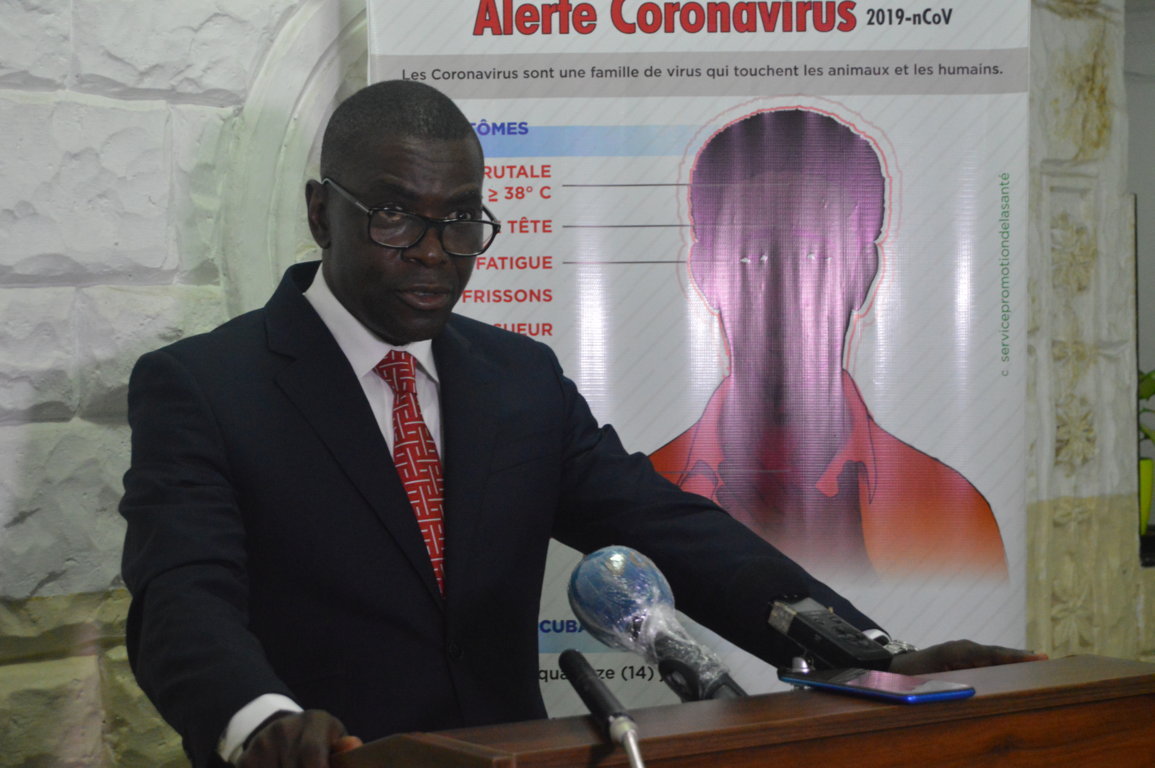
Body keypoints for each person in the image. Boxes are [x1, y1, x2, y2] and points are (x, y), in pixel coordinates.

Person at [119, 82, 1039, 768]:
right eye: (397, 216)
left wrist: (871, 658)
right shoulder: (205, 388)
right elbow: (181, 601)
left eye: (461, 220)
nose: (434, 254)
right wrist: (263, 722)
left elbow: (671, 529)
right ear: (322, 211)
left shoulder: (516, 381)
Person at [650, 108, 1007, 577]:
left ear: (864, 274)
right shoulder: (646, 498)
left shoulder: (947, 511)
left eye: (814, 255)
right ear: (703, 273)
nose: (785, 292)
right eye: (754, 257)